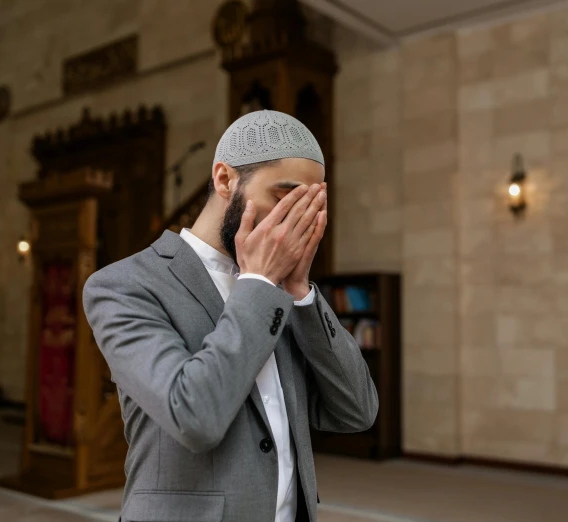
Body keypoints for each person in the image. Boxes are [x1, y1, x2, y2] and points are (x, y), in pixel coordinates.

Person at [83, 110, 378, 522]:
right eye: (284, 196)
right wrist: (258, 282)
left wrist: (300, 292)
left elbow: (357, 411)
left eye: (309, 205)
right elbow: (193, 416)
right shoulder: (124, 285)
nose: (297, 220)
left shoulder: (283, 292)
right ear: (224, 180)